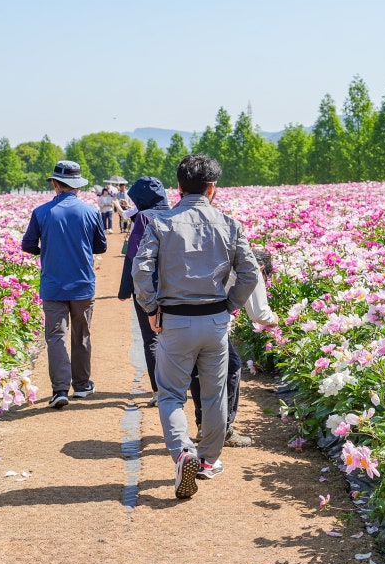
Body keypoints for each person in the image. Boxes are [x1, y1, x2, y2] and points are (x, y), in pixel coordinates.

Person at [132, 154, 259, 499]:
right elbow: (250, 272)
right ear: (212, 188)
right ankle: (207, 460)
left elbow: (140, 271)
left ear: (178, 186)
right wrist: (230, 305)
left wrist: (150, 307)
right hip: (216, 320)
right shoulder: (230, 225)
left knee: (171, 393)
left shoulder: (161, 223)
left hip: (174, 320)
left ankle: (182, 452)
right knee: (214, 393)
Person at [21, 161, 107, 410]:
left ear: (56, 184)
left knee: (56, 336)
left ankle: (60, 389)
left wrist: (45, 249)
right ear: (78, 185)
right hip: (82, 284)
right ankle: (81, 385)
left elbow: (27, 245)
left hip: (53, 284)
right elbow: (100, 247)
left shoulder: (41, 212)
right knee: (81, 333)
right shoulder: (91, 212)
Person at [190, 247, 279, 447]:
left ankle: (203, 425)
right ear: (262, 267)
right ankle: (225, 428)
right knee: (232, 367)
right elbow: (259, 314)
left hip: (186, 316)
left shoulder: (223, 255)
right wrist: (277, 320)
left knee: (197, 369)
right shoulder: (251, 267)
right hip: (213, 322)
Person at [117, 176, 170, 407]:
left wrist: (125, 289)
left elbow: (134, 258)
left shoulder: (144, 217)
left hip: (150, 288)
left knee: (151, 339)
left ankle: (160, 390)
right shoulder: (176, 214)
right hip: (177, 286)